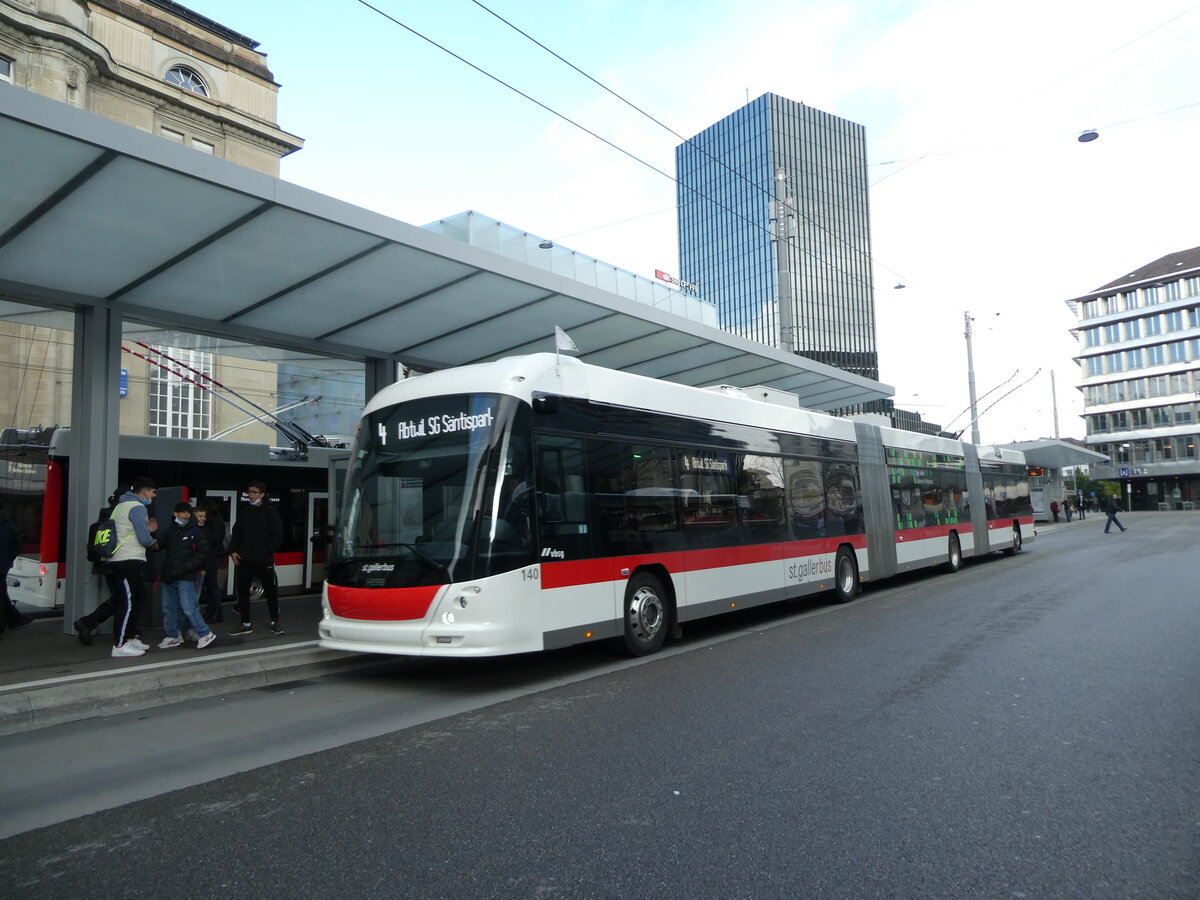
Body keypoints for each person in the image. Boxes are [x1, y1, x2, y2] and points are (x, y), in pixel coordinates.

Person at [102, 477, 159, 657]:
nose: (153, 496)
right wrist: (153, 540)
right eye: (153, 492)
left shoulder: (120, 506)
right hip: (127, 559)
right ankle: (119, 645)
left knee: (140, 595)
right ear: (145, 492)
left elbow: (127, 531)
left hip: (122, 558)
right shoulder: (137, 507)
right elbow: (143, 538)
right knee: (127, 602)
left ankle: (130, 638)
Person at [227, 480, 284, 636]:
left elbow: (278, 536)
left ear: (262, 494)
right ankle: (246, 624)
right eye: (249, 492)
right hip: (245, 560)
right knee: (243, 592)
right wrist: (232, 551)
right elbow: (236, 533)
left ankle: (275, 622)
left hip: (264, 561)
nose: (250, 495)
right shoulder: (244, 512)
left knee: (271, 592)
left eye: (254, 492)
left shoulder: (270, 512)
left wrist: (265, 552)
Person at [156, 501, 215, 650]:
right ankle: (172, 636)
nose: (186, 514)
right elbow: (156, 546)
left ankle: (205, 633)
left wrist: (188, 567)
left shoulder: (195, 532)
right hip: (169, 575)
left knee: (188, 607)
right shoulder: (169, 531)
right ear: (175, 514)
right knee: (169, 608)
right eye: (182, 512)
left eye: (188, 512)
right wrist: (151, 532)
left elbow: (203, 552)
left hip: (186, 576)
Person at [0, 501, 34, 638]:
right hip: (2, 566)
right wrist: (7, 561)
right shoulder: (9, 526)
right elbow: (15, 546)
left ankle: (7, 623)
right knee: (1, 594)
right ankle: (14, 619)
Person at [194, 500, 227, 623]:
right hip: (214, 554)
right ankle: (212, 610)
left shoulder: (213, 523)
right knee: (211, 584)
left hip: (212, 555)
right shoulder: (218, 520)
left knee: (211, 584)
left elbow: (211, 540)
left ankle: (215, 611)